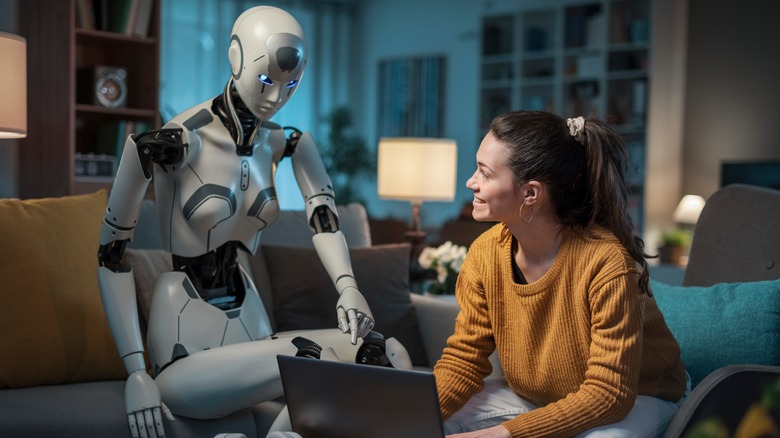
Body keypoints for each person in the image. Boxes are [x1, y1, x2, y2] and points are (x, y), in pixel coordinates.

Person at [96, 6, 408, 438]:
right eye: (267, 81)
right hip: (186, 342)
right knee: (307, 358)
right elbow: (110, 257)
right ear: (237, 57)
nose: (277, 97)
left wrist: (348, 288)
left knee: (384, 352)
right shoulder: (171, 144)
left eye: (291, 85)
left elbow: (325, 220)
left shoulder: (285, 142)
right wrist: (135, 372)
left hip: (252, 330)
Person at [433, 110, 689, 437]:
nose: (471, 182)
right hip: (540, 398)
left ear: (531, 194)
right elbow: (463, 362)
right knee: (427, 419)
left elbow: (610, 395)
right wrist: (407, 418)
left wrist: (503, 434)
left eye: (484, 173)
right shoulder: (484, 255)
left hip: (641, 398)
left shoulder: (606, 261)